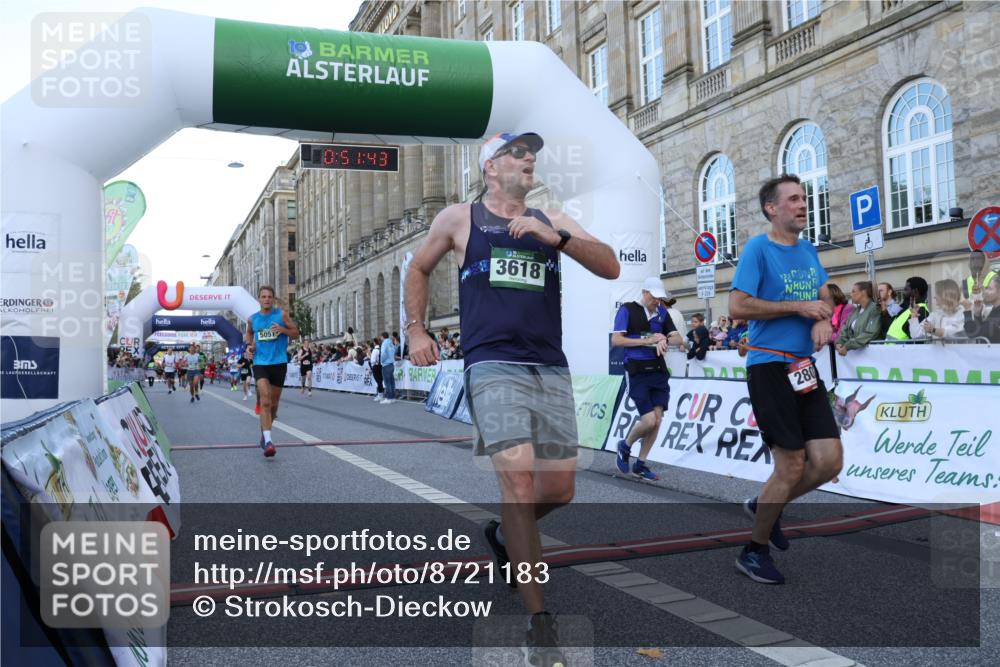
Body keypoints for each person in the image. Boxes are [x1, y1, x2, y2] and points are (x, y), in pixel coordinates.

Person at [404, 131, 619, 665]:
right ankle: (539, 622)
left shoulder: (553, 219)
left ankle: (502, 533)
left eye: (532, 155)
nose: (529, 160)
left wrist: (559, 242)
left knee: (560, 489)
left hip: (548, 366)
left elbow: (611, 265)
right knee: (519, 483)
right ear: (489, 168)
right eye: (517, 154)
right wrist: (416, 328)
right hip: (492, 363)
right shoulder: (459, 218)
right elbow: (418, 267)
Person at [728, 174, 842, 585]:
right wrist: (799, 307)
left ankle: (764, 506)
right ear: (771, 209)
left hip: (804, 368)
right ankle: (753, 551)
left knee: (829, 462)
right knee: (791, 464)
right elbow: (738, 305)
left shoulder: (809, 249)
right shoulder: (759, 248)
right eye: (793, 199)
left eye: (804, 198)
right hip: (769, 365)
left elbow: (825, 295)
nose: (802, 204)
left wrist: (823, 318)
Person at [612, 276, 684, 481]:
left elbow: (678, 338)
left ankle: (641, 464)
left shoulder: (662, 312)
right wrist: (648, 340)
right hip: (636, 369)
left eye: (660, 298)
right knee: (649, 419)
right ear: (645, 293)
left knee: (658, 419)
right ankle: (624, 446)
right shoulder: (627, 309)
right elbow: (616, 340)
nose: (658, 302)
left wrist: (664, 338)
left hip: (658, 369)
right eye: (654, 297)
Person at [245, 286, 299, 457]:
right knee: (265, 400)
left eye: (269, 296)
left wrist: (283, 330)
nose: (266, 299)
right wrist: (249, 347)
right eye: (263, 296)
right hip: (260, 362)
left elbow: (296, 332)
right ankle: (269, 441)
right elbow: (249, 334)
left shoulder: (281, 315)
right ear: (259, 299)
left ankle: (265, 432)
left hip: (279, 363)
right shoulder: (253, 319)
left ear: (273, 299)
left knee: (274, 405)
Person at [835, 281, 881, 355]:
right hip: (855, 356)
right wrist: (839, 343)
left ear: (863, 293)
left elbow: (870, 333)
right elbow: (845, 328)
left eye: (853, 291)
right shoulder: (855, 311)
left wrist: (847, 346)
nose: (851, 294)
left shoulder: (875, 309)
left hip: (870, 355)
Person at [885, 277, 930, 341]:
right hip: (893, 349)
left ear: (915, 291)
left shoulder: (921, 311)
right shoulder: (908, 308)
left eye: (906, 290)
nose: (903, 293)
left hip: (900, 350)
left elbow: (915, 339)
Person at [964, 277, 1000, 341]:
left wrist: (967, 308)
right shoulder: (995, 310)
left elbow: (973, 333)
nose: (985, 292)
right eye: (986, 288)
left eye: (989, 289)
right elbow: (983, 334)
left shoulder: (997, 314)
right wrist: (978, 314)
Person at [378, 332, 396, 404]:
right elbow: (394, 351)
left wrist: (381, 361)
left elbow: (383, 353)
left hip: (386, 364)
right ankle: (392, 397)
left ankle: (388, 398)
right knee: (391, 382)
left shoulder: (384, 343)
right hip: (391, 363)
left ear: (382, 337)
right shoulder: (391, 342)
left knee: (387, 382)